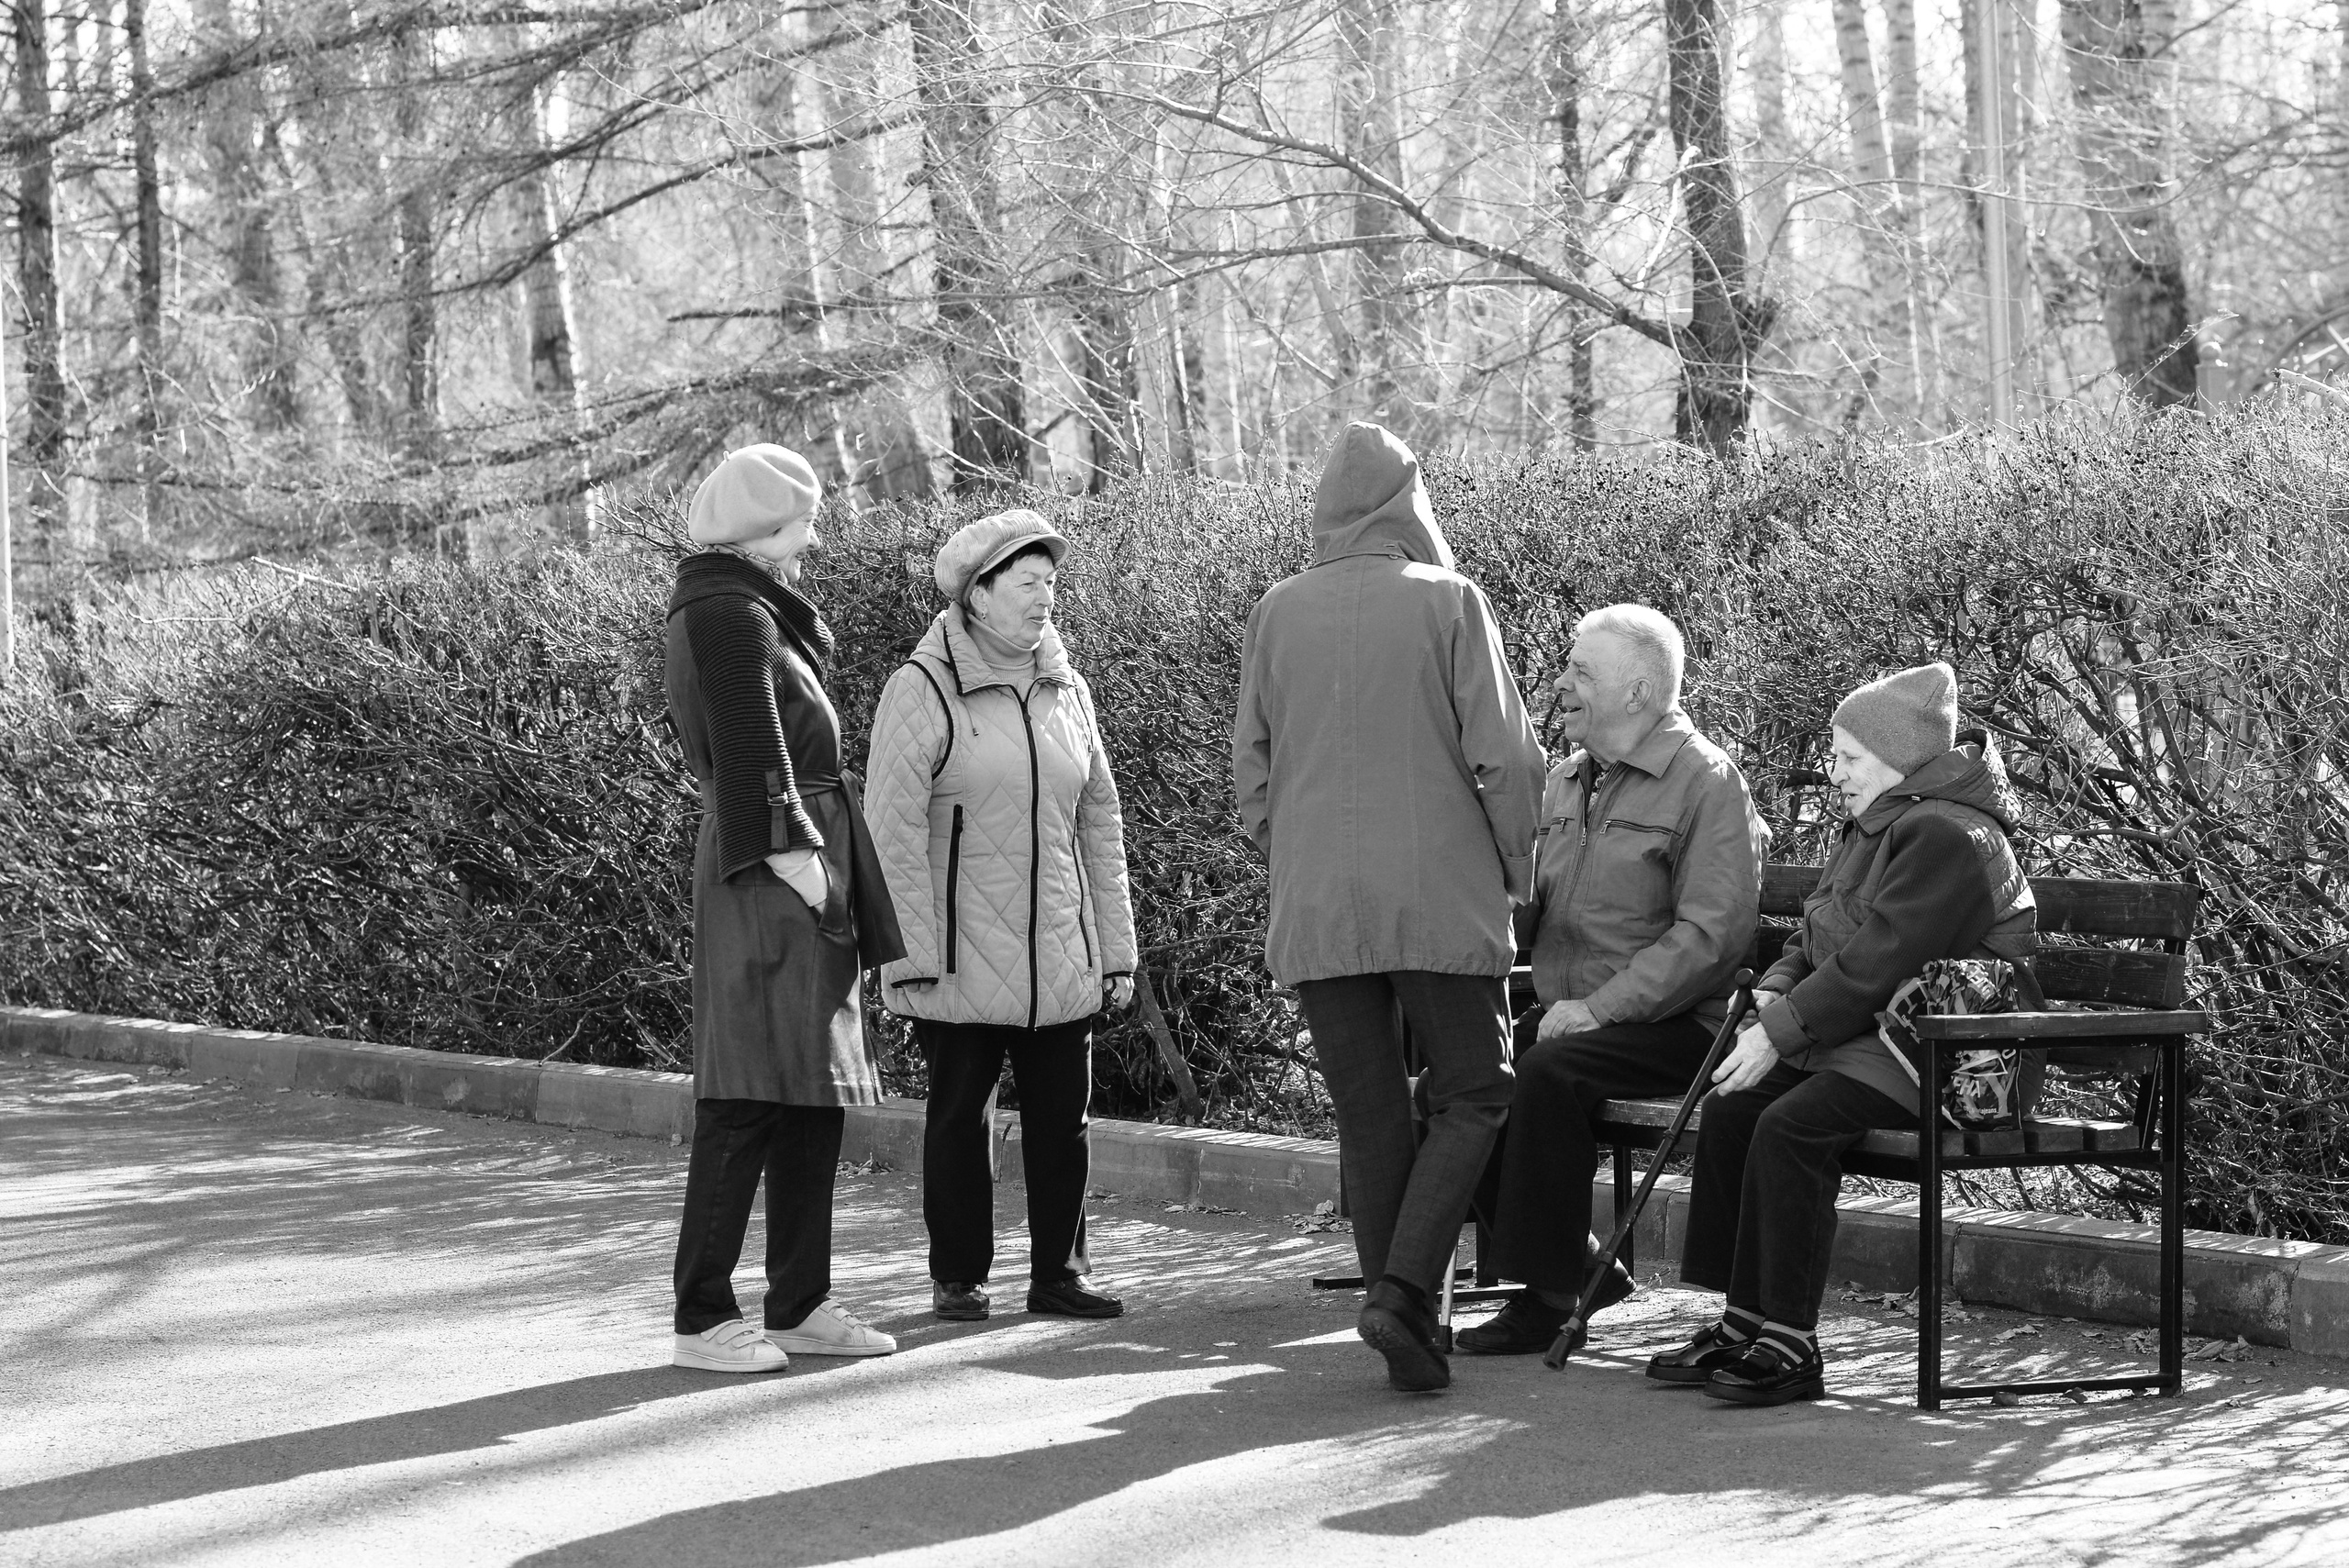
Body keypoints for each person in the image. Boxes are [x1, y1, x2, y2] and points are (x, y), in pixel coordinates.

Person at [1232, 421, 1545, 1393]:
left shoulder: (1275, 611)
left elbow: (1250, 775)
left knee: (1371, 1115)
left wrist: (1293, 855)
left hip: (1317, 900)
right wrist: (1517, 871)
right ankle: (1405, 1293)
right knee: (1477, 1088)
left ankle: (1395, 1303)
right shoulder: (1450, 601)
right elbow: (1504, 758)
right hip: (1437, 894)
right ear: (1409, 500)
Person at [1655, 662, 2035, 1406]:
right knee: (1738, 1105)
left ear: (1901, 758)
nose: (1834, 774)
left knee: (1792, 1125)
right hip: (1871, 1036)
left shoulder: (1949, 836)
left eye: (1848, 758)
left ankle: (1792, 1342)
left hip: (1941, 1057)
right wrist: (1774, 987)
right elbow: (1824, 931)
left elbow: (1881, 957)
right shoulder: (1878, 824)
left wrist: (1782, 1031)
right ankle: (1745, 1318)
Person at [1457, 605, 1766, 1354]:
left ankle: (1550, 1293)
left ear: (1636, 694)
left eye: (1579, 671)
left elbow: (1711, 937)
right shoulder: (1564, 781)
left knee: (1547, 1069)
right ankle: (1585, 1266)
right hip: (1582, 1015)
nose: (1560, 682)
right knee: (1468, 1078)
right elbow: (1533, 905)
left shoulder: (1705, 781)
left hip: (1681, 1022)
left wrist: (1599, 1008)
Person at [665, 444, 907, 1373]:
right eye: (804, 519)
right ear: (764, 527)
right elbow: (752, 752)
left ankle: (800, 1299)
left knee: (811, 1093)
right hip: (771, 869)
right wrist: (809, 872)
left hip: (791, 859)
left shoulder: (745, 602)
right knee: (749, 1094)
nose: (814, 536)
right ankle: (702, 1315)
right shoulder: (727, 609)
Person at [865, 509, 1140, 1324]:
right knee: (958, 1118)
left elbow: (1101, 824)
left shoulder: (1069, 689)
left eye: (1050, 584)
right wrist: (907, 952)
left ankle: (1060, 1272)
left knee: (1066, 1119)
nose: (1043, 598)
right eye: (1025, 584)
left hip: (1058, 947)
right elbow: (890, 826)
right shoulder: (921, 688)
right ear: (976, 595)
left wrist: (1114, 952)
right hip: (955, 950)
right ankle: (958, 1276)